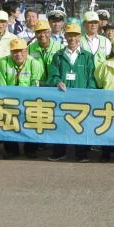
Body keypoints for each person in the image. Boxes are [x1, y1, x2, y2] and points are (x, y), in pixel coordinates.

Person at [46, 22, 97, 163]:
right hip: (62, 97)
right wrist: (57, 81)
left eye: (75, 35)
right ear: (65, 36)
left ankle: (81, 153)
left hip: (81, 98)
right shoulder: (58, 55)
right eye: (69, 35)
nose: (72, 38)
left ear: (79, 36)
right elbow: (52, 75)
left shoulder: (87, 56)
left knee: (80, 124)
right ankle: (59, 152)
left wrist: (90, 93)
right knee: (61, 123)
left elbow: (92, 77)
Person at [0, 37, 44, 159]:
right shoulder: (3, 63)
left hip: (29, 100)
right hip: (9, 99)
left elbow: (35, 86)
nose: (18, 54)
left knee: (32, 119)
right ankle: (12, 150)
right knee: (7, 119)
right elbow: (1, 87)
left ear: (26, 51)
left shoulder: (34, 63)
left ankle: (31, 149)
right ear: (10, 52)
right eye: (15, 51)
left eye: (22, 51)